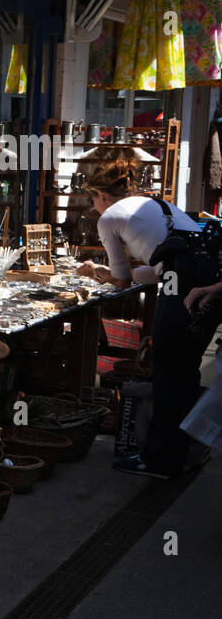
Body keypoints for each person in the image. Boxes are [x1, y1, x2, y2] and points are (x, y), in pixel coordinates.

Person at [76, 151, 221, 478]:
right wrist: (105, 269)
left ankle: (160, 460)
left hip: (182, 291)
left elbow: (123, 279)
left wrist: (97, 271)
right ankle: (186, 451)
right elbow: (162, 267)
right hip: (208, 286)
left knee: (168, 375)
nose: (95, 207)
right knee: (185, 372)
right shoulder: (158, 205)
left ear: (100, 195)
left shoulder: (109, 218)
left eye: (93, 199)